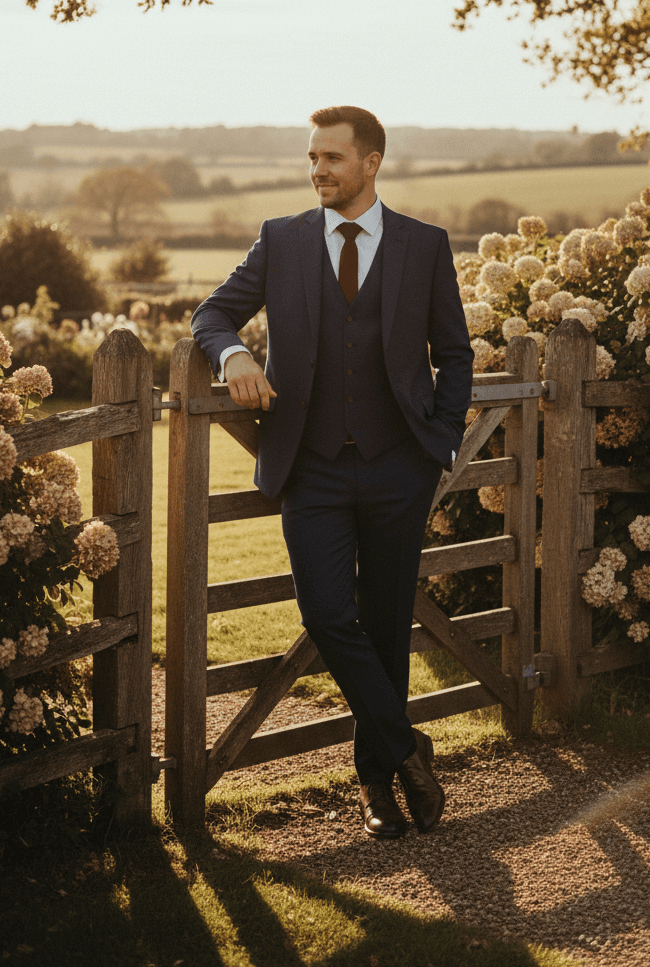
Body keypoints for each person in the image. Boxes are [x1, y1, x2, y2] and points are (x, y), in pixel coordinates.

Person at [191, 106, 473, 839]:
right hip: (310, 469)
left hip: (399, 470)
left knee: (384, 628)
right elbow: (212, 315)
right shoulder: (281, 241)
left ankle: (378, 788)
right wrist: (236, 355)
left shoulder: (425, 245)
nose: (318, 170)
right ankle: (409, 747)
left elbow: (457, 353)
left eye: (332, 159)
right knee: (325, 615)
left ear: (371, 162)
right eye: (312, 158)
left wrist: (438, 442)